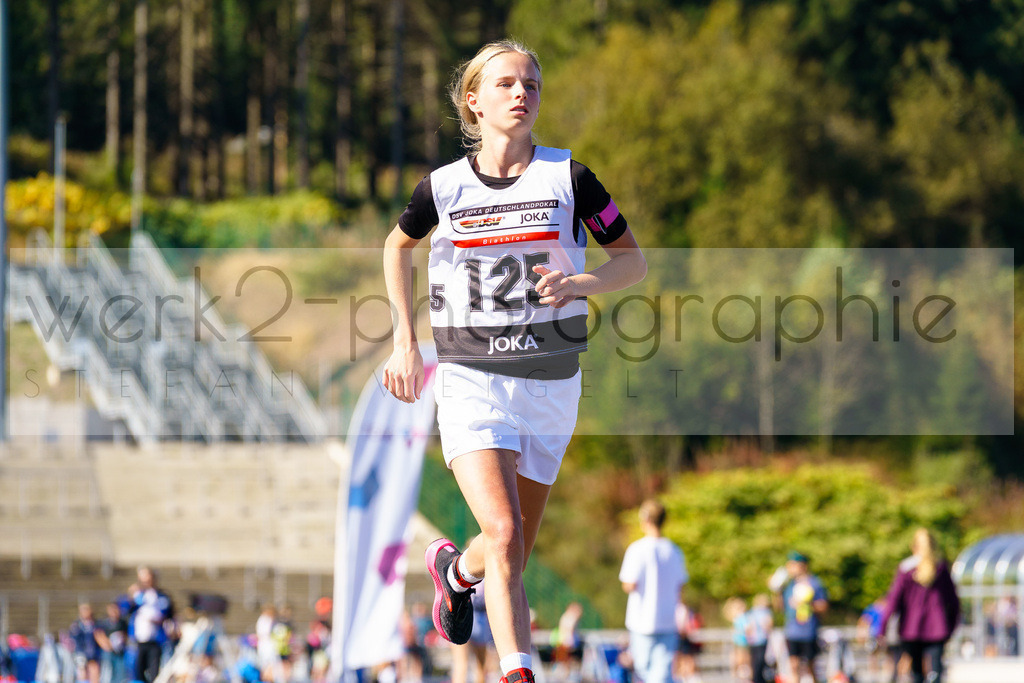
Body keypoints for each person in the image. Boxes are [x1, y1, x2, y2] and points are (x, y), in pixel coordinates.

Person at [382, 38, 647, 683]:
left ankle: (456, 573)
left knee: (512, 548)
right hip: (471, 377)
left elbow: (632, 262)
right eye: (505, 83)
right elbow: (397, 247)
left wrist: (579, 283)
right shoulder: (443, 188)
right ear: (474, 101)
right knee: (503, 532)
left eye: (531, 83)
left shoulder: (571, 179)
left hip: (551, 380)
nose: (521, 93)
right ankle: (517, 672)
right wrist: (404, 341)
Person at [619, 500, 689, 683]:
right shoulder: (674, 551)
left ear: (646, 519)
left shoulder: (637, 549)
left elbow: (629, 584)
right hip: (667, 620)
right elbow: (680, 588)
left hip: (641, 621)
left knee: (643, 672)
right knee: (662, 674)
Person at [879, 528, 960, 683]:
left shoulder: (906, 569)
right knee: (935, 671)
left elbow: (893, 601)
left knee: (916, 673)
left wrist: (882, 628)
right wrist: (950, 627)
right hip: (937, 628)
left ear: (914, 546)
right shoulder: (940, 568)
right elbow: (953, 602)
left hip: (911, 628)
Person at [769, 551, 828, 683]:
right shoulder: (789, 585)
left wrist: (806, 604)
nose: (789, 568)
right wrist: (777, 591)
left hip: (809, 632)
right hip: (792, 631)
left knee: (811, 667)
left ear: (803, 565)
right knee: (793, 666)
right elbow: (780, 608)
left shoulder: (815, 583)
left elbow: (823, 606)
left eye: (793, 565)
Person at [128, 566, 174, 683]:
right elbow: (126, 610)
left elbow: (167, 614)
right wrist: (132, 597)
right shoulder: (138, 595)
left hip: (155, 641)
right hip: (138, 641)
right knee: (137, 673)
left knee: (154, 673)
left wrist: (156, 619)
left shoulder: (161, 596)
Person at [70, 603, 109, 683]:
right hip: (81, 653)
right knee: (82, 672)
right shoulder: (77, 625)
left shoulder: (96, 624)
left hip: (94, 653)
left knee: (94, 671)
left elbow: (100, 637)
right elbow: (73, 640)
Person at [746, 594, 774, 683]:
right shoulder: (755, 612)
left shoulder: (763, 612)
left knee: (759, 661)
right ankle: (756, 679)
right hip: (756, 640)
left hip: (760, 640)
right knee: (757, 661)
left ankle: (759, 679)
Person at [99, 602, 129, 683]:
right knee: (108, 671)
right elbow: (99, 634)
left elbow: (126, 635)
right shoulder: (104, 623)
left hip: (120, 651)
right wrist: (107, 644)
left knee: (120, 671)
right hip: (109, 651)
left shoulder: (122, 622)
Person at [673, 601, 702, 683]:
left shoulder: (682, 608)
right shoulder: (681, 608)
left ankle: (688, 677)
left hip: (682, 637)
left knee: (686, 659)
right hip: (679, 637)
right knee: (680, 659)